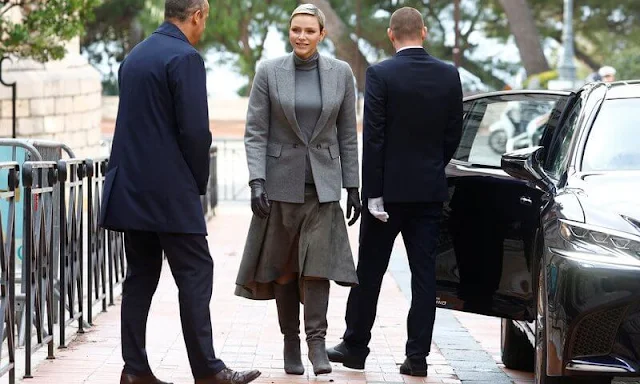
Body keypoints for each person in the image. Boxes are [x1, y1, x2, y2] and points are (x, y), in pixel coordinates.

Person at [99, 1, 261, 383]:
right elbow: (195, 133)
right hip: (170, 192)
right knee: (195, 272)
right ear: (198, 14)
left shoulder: (134, 57)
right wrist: (197, 183)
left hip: (131, 188)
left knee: (140, 277)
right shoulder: (185, 58)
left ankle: (135, 369)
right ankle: (208, 371)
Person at [327, 6, 463, 377]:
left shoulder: (381, 73)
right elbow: (455, 132)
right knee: (424, 278)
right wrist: (434, 164)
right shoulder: (449, 75)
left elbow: (374, 137)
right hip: (429, 192)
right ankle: (416, 359)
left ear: (391, 34)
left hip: (386, 194)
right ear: (423, 31)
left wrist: (373, 193)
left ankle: (355, 347)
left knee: (369, 272)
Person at [234, 3, 361, 377]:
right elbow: (255, 130)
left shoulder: (341, 74)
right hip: (279, 186)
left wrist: (351, 184)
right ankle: (290, 340)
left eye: (309, 30)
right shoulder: (269, 71)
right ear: (289, 33)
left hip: (323, 188)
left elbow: (347, 136)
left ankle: (317, 343)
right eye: (295, 30)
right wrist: (257, 180)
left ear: (322, 34)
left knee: (317, 269)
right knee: (286, 270)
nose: (301, 36)